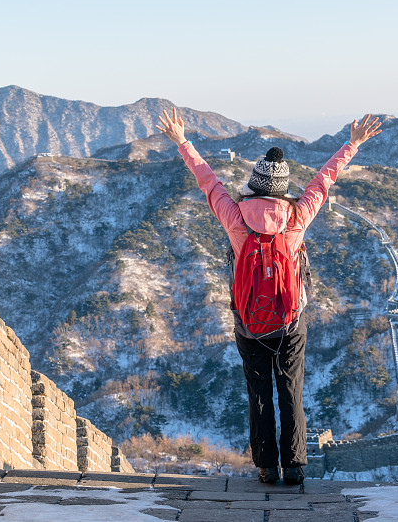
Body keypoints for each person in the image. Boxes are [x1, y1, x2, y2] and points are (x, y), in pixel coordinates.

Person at [156, 108, 381, 484]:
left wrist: (182, 141)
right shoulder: (297, 217)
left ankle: (266, 466)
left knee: (258, 391)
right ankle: (294, 465)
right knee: (290, 388)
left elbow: (208, 181)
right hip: (291, 321)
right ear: (281, 190)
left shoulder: (236, 218)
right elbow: (323, 181)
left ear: (254, 185)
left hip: (249, 324)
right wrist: (352, 143)